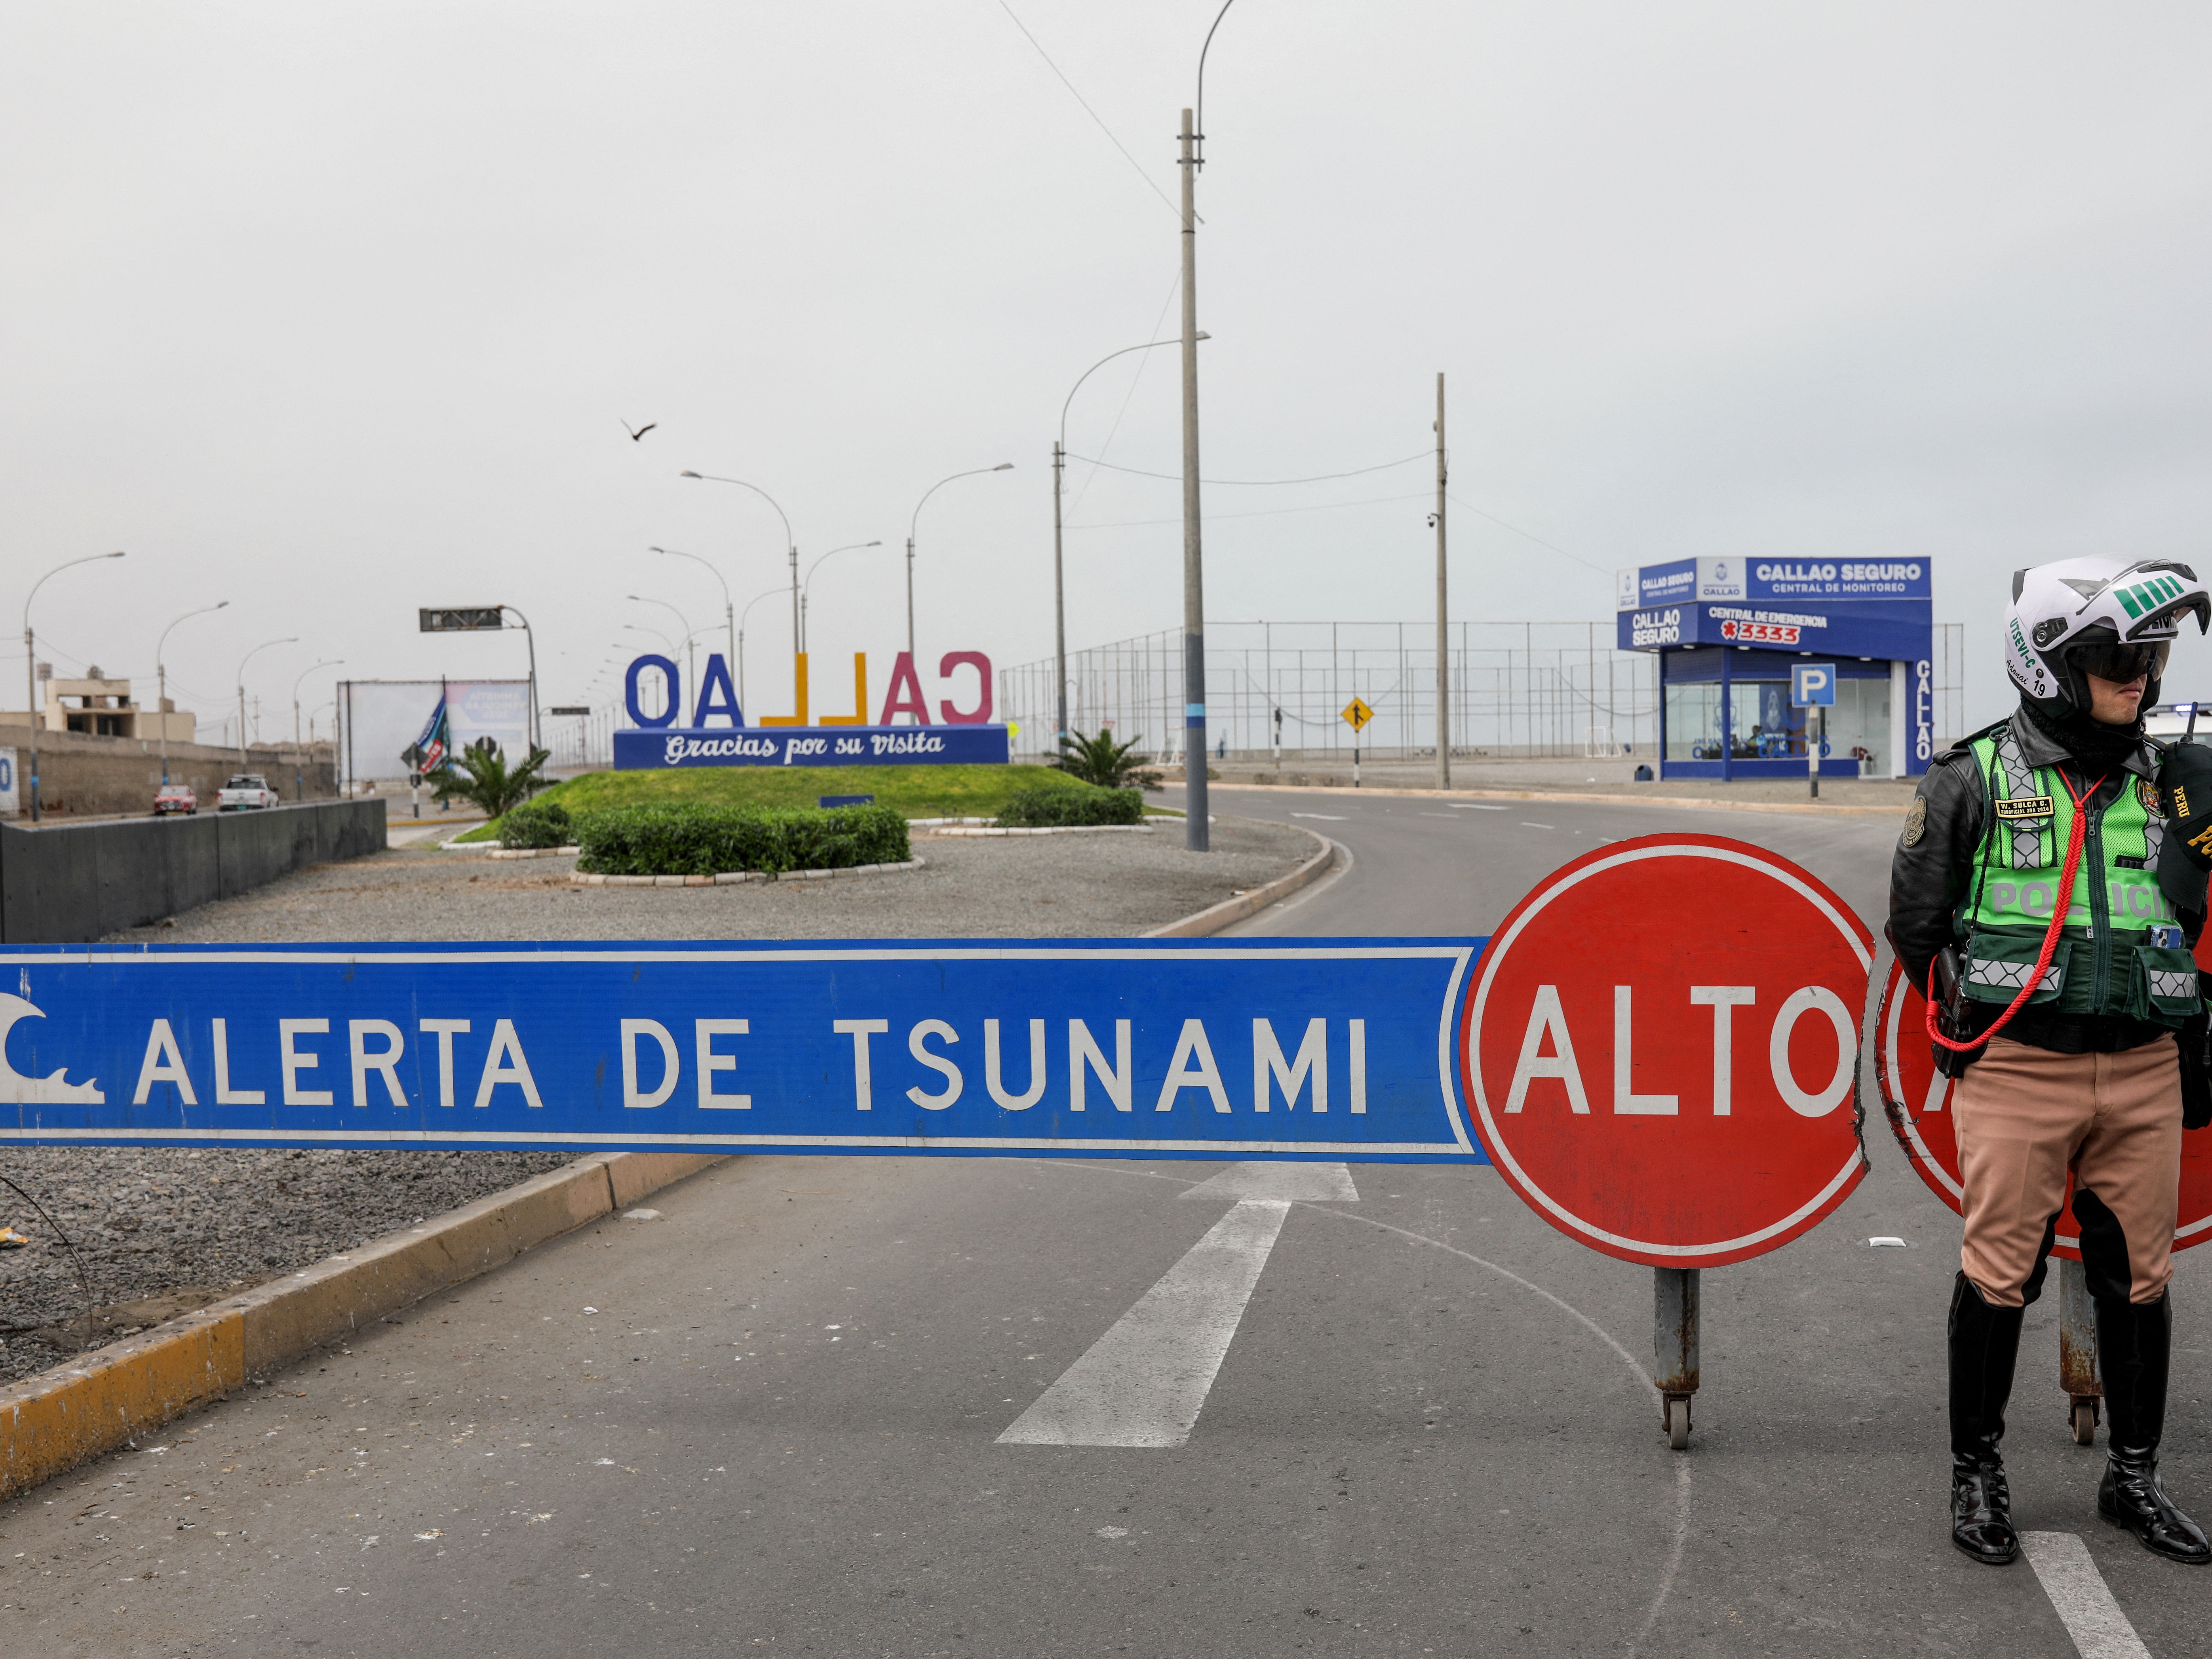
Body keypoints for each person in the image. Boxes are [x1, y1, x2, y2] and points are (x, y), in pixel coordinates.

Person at [1889, 556, 2212, 1568]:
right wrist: (1975, 1017)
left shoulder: (2174, 782)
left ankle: (2134, 1477)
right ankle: (1976, 1474)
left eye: (2153, 653)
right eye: (2120, 654)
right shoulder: (1971, 776)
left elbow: (2194, 915)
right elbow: (1915, 925)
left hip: (2146, 1066)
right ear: (2047, 666)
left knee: (2141, 1279)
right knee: (1998, 1274)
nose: (2142, 672)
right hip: (2019, 1068)